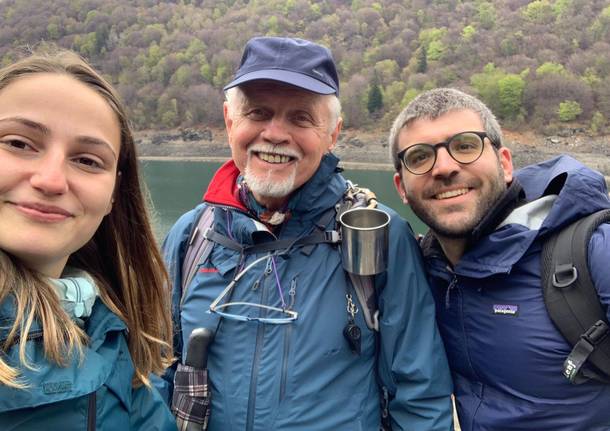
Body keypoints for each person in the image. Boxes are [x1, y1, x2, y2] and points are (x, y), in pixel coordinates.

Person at [161, 36, 453, 430]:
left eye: (301, 118)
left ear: (333, 133)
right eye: (258, 112)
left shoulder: (379, 234)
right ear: (230, 121)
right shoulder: (191, 236)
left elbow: (419, 395)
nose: (275, 134)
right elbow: (154, 371)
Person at [390, 87, 610, 430]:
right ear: (401, 188)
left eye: (465, 146)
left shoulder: (593, 253)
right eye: (419, 157)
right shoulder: (422, 271)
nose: (444, 168)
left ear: (505, 163)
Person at [0, 50, 176, 430]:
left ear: (114, 193)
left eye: (87, 160)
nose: (50, 180)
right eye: (17, 143)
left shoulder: (108, 328)